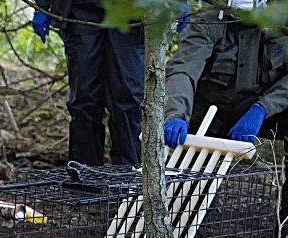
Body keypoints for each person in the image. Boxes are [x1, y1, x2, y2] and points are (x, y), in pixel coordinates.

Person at [163, 2, 288, 238]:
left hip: (269, 109)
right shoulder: (210, 19)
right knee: (185, 203)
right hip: (213, 111)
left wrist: (262, 108)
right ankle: (185, 211)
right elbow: (184, 69)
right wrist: (176, 114)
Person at [30, 1, 190, 166]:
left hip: (130, 11)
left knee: (128, 97)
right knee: (84, 97)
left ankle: (129, 177)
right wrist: (42, 6)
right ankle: (84, 177)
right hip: (79, 10)